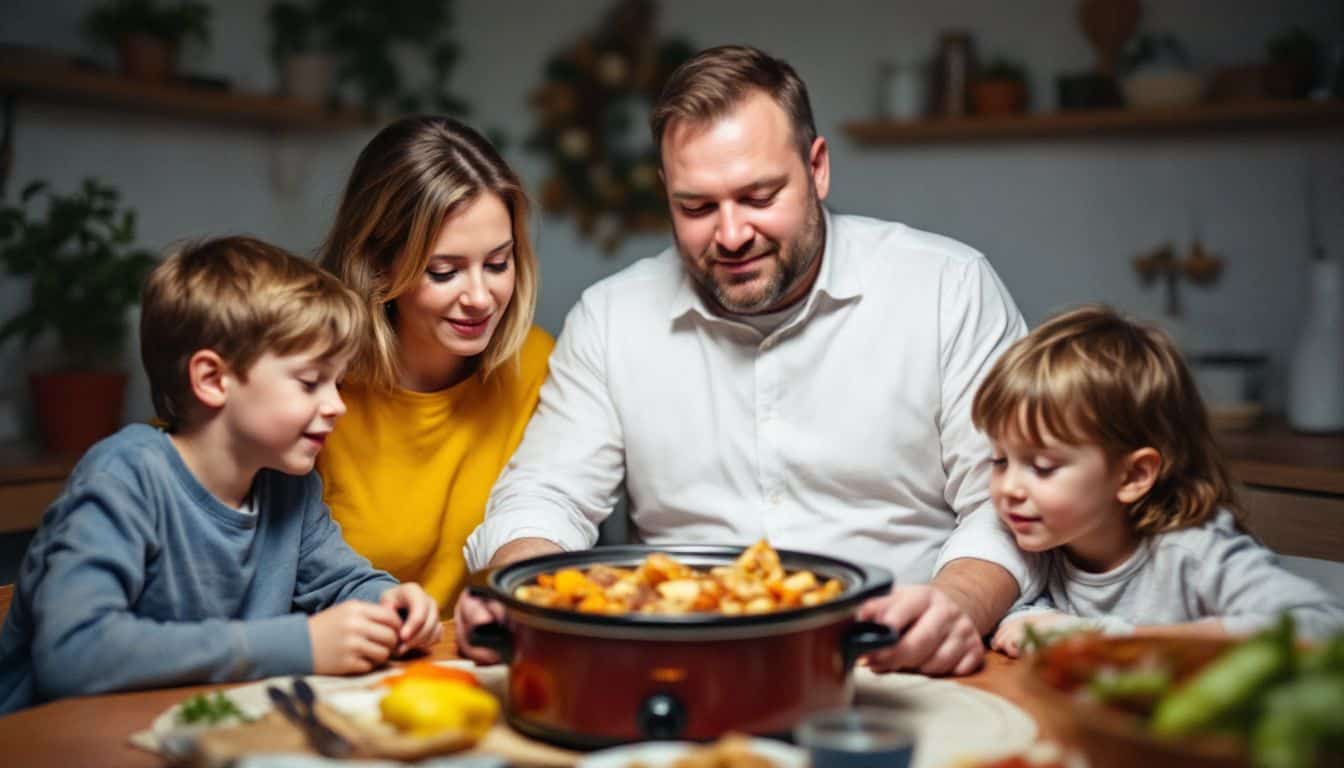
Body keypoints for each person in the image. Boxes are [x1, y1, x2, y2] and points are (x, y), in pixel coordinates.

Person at [457, 45, 1035, 676]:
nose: (731, 236)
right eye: (697, 207)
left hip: (900, 663)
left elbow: (1008, 504)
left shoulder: (948, 288)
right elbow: (547, 495)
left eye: (759, 196)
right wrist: (520, 591)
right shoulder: (610, 317)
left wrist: (957, 605)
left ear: (817, 169)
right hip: (683, 663)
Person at [0, 237, 441, 713]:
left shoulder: (289, 486)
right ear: (212, 379)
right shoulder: (125, 478)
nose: (338, 406)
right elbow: (72, 653)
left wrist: (393, 602)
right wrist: (300, 644)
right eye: (311, 382)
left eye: (337, 382)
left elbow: (342, 583)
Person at [973, 305, 1344, 657]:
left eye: (1042, 467)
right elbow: (1024, 616)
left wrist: (1107, 638)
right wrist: (1026, 622)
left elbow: (1321, 625)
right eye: (1000, 460)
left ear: (1133, 475)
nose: (1008, 488)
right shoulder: (1046, 542)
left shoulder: (1192, 553)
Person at [317, 116, 553, 611]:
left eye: (497, 263)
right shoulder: (311, 381)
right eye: (444, 271)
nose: (480, 298)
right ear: (378, 264)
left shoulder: (536, 365)